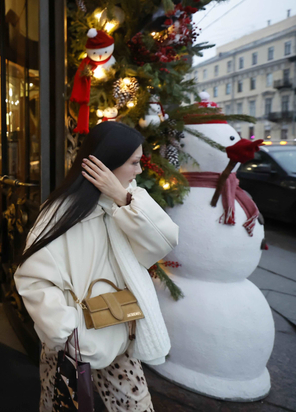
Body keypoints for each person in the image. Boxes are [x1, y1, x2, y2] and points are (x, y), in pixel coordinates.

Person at [14, 122, 179, 412]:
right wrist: (68, 333)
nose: (139, 170)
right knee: (61, 407)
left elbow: (164, 241)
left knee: (137, 406)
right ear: (109, 162)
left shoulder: (127, 204)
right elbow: (33, 278)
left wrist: (123, 198)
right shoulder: (62, 212)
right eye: (134, 162)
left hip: (120, 339)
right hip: (73, 345)